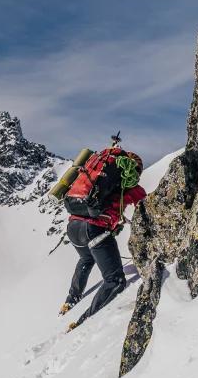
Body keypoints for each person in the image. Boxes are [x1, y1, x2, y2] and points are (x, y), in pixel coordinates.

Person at [59, 138, 146, 331]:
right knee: (115, 281)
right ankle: (83, 321)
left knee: (86, 259)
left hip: (74, 226)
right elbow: (147, 203)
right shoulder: (129, 187)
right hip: (95, 230)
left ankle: (70, 299)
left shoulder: (95, 173)